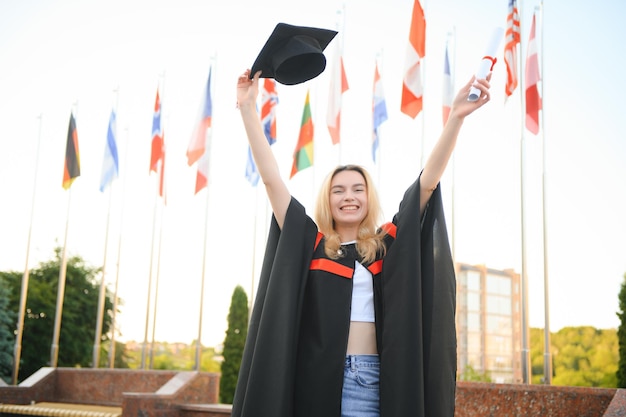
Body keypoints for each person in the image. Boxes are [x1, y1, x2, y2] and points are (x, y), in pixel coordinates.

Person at [232, 68, 491, 417]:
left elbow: (426, 185)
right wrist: (248, 109)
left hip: (371, 380)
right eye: (338, 190)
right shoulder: (313, 243)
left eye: (358, 189)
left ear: (369, 197)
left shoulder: (387, 245)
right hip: (314, 380)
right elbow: (271, 180)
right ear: (328, 199)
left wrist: (455, 119)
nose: (348, 197)